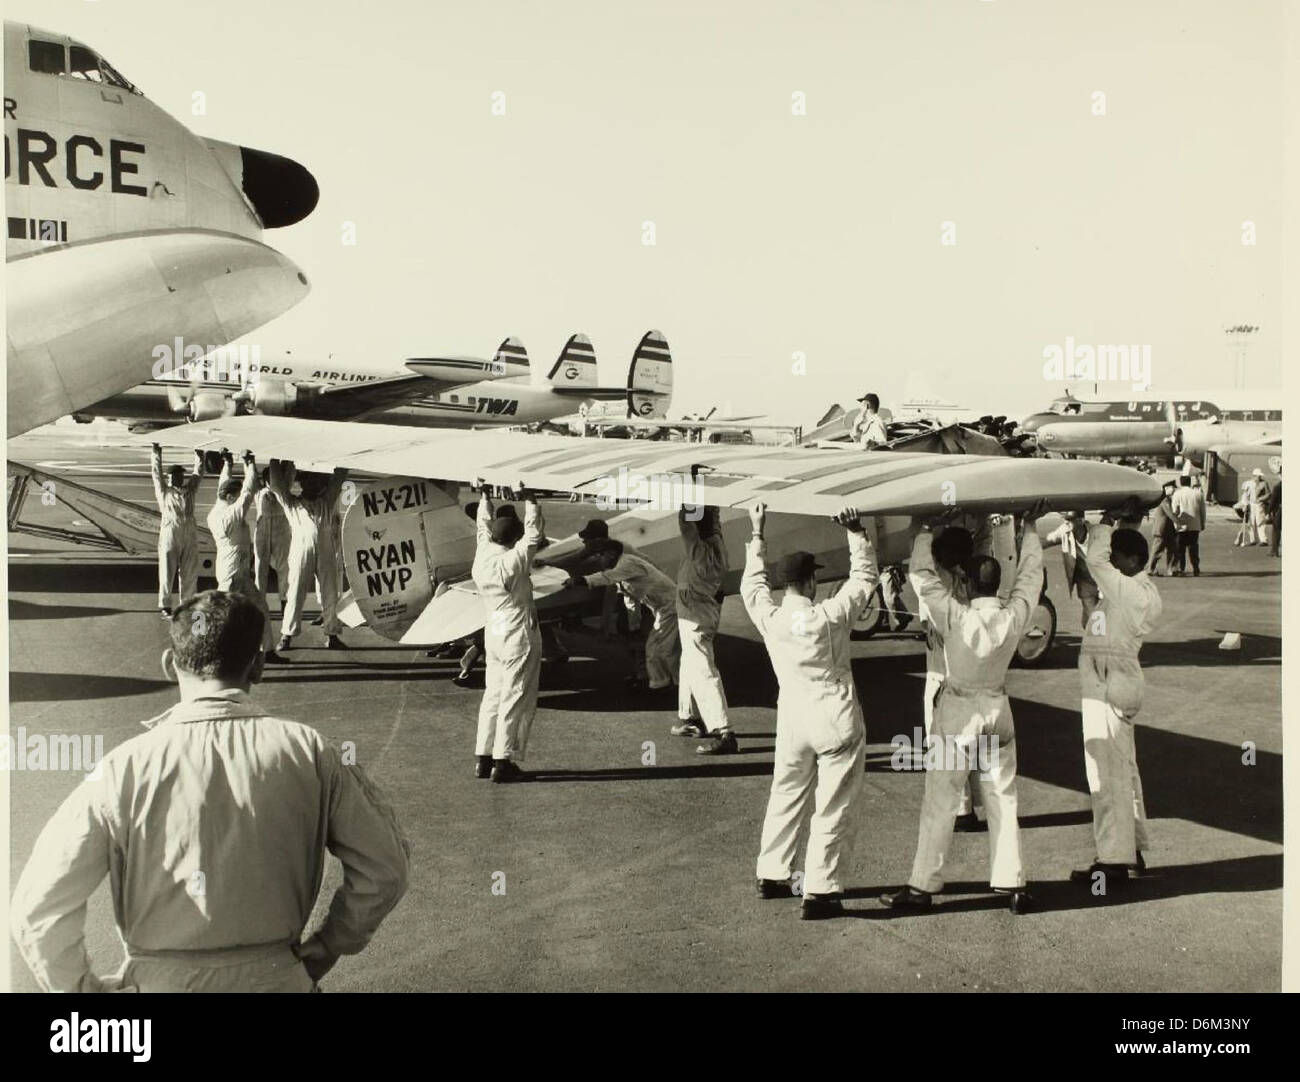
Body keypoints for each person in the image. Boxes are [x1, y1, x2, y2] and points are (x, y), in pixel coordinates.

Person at [10, 591, 410, 992]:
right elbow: (385, 868)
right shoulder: (312, 752)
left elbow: (39, 908)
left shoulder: (121, 768)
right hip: (275, 978)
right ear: (257, 666)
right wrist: (330, 943)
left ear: (170, 664)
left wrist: (83, 991)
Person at [881, 505, 1044, 915]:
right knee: (1003, 799)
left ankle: (923, 886)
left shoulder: (956, 617)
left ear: (967, 584)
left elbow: (921, 578)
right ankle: (1014, 883)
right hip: (998, 710)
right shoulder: (1012, 618)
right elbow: (1031, 578)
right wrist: (1029, 528)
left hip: (958, 714)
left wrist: (923, 530)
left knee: (940, 802)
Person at [743, 502, 878, 920]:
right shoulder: (830, 616)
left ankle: (772, 871)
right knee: (833, 804)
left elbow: (752, 585)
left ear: (786, 585)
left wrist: (757, 533)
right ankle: (820, 890)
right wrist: (855, 532)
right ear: (810, 580)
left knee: (786, 792)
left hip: (793, 717)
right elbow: (864, 578)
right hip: (833, 715)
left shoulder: (770, 617)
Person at [1069, 514, 1162, 887]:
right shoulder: (1138, 590)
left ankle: (1112, 860)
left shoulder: (1128, 591)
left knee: (1106, 776)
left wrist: (1103, 524)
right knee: (1125, 772)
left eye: (1117, 558)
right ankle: (1133, 850)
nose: (1111, 564)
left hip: (1107, 687)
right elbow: (1096, 582)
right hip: (1119, 682)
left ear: (1133, 562)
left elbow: (1095, 562)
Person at [911, 524, 984, 832]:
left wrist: (923, 529)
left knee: (942, 745)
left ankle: (957, 809)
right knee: (971, 744)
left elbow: (919, 572)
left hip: (941, 676)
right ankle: (969, 808)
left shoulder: (938, 585)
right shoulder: (973, 584)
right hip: (973, 676)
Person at [472, 479, 544, 782]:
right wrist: (531, 500)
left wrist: (485, 496)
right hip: (517, 629)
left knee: (494, 694)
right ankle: (504, 761)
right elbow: (534, 534)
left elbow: (482, 526)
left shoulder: (483, 553)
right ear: (512, 538)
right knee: (516, 695)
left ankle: (483, 757)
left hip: (494, 627)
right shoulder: (513, 559)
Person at [567, 539, 679, 693]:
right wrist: (634, 627)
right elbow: (630, 599)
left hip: (671, 607)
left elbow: (607, 577)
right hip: (664, 607)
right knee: (667, 647)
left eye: (600, 555)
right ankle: (670, 682)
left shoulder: (627, 564)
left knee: (656, 647)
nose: (597, 559)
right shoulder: (622, 570)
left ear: (612, 554)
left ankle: (661, 687)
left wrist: (581, 580)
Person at [207, 450, 284, 664]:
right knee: (225, 617)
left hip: (237, 571)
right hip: (232, 574)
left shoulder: (220, 505)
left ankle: (266, 651)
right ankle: (216, 655)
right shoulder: (229, 515)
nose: (237, 496)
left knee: (260, 608)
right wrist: (249, 465)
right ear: (230, 496)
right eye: (235, 494)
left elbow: (225, 485)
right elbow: (247, 494)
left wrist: (228, 464)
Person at [672, 504, 735, 755]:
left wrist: (689, 493)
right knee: (690, 662)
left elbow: (686, 523)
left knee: (703, 671)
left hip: (694, 615)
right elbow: (712, 522)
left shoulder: (698, 550)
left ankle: (724, 731)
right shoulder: (717, 545)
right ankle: (690, 718)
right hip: (704, 610)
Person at [267, 460, 349, 651]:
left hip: (326, 551)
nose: (317, 487)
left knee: (330, 593)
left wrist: (344, 458)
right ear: (303, 486)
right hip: (300, 554)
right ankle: (287, 635)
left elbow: (338, 480)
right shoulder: (292, 505)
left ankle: (332, 634)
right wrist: (273, 461)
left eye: (319, 484)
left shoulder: (326, 503)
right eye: (312, 483)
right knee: (295, 593)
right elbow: (277, 487)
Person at [150, 443, 204, 617]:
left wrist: (199, 456)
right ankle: (165, 604)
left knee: (189, 569)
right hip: (170, 530)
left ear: (182, 477)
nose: (175, 478)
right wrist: (156, 453)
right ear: (168, 478)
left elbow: (198, 474)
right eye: (172, 476)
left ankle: (187, 603)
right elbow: (155, 474)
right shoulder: (164, 492)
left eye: (178, 475)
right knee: (167, 568)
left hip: (189, 530)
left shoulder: (190, 490)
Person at [253, 466, 292, 615]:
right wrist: (249, 462)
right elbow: (251, 476)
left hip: (281, 529)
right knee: (260, 568)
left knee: (284, 567)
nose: (274, 480)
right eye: (270, 478)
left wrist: (286, 462)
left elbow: (290, 473)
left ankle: (285, 602)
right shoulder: (259, 491)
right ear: (265, 480)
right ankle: (259, 603)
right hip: (263, 528)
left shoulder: (283, 490)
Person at [1171, 475, 1206, 576]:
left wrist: (1175, 524)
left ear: (1181, 483)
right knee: (1193, 547)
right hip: (1195, 525)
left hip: (1181, 525)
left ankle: (1181, 568)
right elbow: (1202, 511)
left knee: (1180, 548)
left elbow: (1174, 510)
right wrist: (1202, 523)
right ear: (1190, 482)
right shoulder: (1198, 494)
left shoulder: (1177, 494)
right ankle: (1196, 567)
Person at [1147, 481, 1178, 574]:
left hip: (1168, 530)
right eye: (1172, 488)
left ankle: (1171, 569)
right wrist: (1179, 522)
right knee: (1157, 551)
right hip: (1162, 530)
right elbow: (1170, 514)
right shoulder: (1164, 500)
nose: (1174, 490)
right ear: (1166, 488)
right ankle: (1150, 569)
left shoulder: (1168, 500)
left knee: (1172, 550)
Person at [1267, 469, 1282, 557]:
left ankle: (1274, 551)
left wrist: (1269, 511)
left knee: (1276, 530)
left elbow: (1273, 501)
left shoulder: (1278, 486)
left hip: (1280, 510)